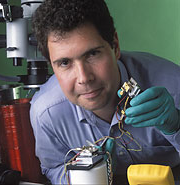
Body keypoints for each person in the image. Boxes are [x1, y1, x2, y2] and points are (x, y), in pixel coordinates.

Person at [30, 0, 180, 184]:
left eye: (92, 54)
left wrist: (177, 127)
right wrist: (85, 175)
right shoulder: (45, 113)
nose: (83, 78)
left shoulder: (174, 86)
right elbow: (52, 168)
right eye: (64, 63)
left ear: (115, 46)